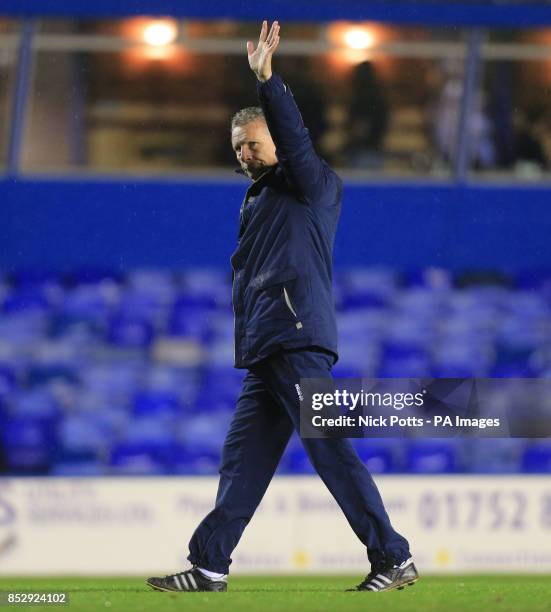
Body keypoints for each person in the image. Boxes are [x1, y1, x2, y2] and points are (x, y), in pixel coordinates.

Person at [146, 20, 418, 594]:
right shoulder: (261, 199)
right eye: (239, 146)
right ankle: (209, 565)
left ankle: (392, 557)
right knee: (242, 463)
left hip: (295, 338)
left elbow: (295, 140)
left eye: (255, 142)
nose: (246, 153)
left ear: (279, 142)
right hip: (268, 348)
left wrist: (269, 83)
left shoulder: (310, 184)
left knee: (332, 453)